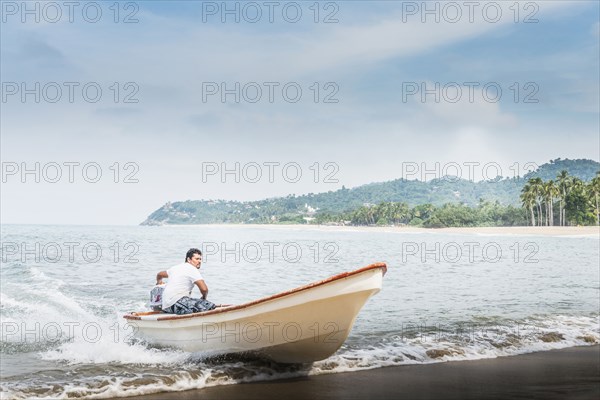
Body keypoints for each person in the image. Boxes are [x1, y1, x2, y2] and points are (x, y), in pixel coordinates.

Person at [155, 248, 217, 314]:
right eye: (196, 259)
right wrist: (204, 298)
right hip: (176, 303)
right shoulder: (192, 269)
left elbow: (160, 274)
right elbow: (204, 289)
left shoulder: (175, 268)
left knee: (198, 303)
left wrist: (159, 281)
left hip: (166, 306)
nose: (199, 261)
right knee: (208, 305)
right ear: (189, 259)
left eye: (200, 259)